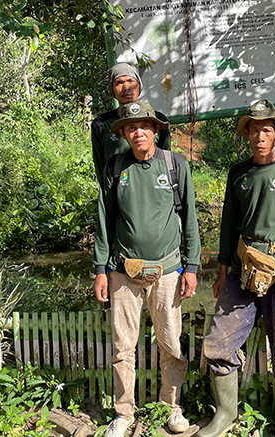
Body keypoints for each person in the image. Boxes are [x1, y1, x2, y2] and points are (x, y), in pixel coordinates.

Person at [198, 99, 275, 437]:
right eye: (254, 129)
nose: (260, 135)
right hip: (242, 270)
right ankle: (224, 415)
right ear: (247, 134)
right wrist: (223, 270)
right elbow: (228, 225)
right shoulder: (239, 173)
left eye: (267, 129)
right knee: (218, 343)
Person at [94, 101, 201, 437]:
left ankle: (172, 407)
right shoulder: (115, 167)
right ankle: (123, 413)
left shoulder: (175, 165)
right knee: (122, 346)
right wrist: (100, 268)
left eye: (144, 126)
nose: (137, 132)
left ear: (156, 130)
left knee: (171, 344)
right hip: (124, 271)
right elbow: (105, 220)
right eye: (130, 127)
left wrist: (192, 267)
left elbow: (192, 221)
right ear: (124, 133)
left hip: (168, 270)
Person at [91, 62, 171, 184]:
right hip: (118, 192)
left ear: (139, 85)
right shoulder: (102, 124)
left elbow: (166, 161)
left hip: (153, 187)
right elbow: (101, 166)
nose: (126, 87)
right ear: (112, 89)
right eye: (119, 82)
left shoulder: (158, 120)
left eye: (131, 81)